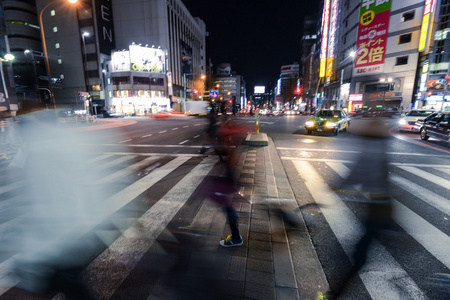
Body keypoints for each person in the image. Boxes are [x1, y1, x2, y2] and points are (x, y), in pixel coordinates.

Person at [318, 118, 393, 300]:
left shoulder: (371, 152)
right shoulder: (380, 150)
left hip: (378, 208)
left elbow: (358, 173)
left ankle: (334, 294)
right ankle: (335, 292)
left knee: (359, 255)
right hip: (380, 206)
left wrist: (336, 186)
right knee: (360, 251)